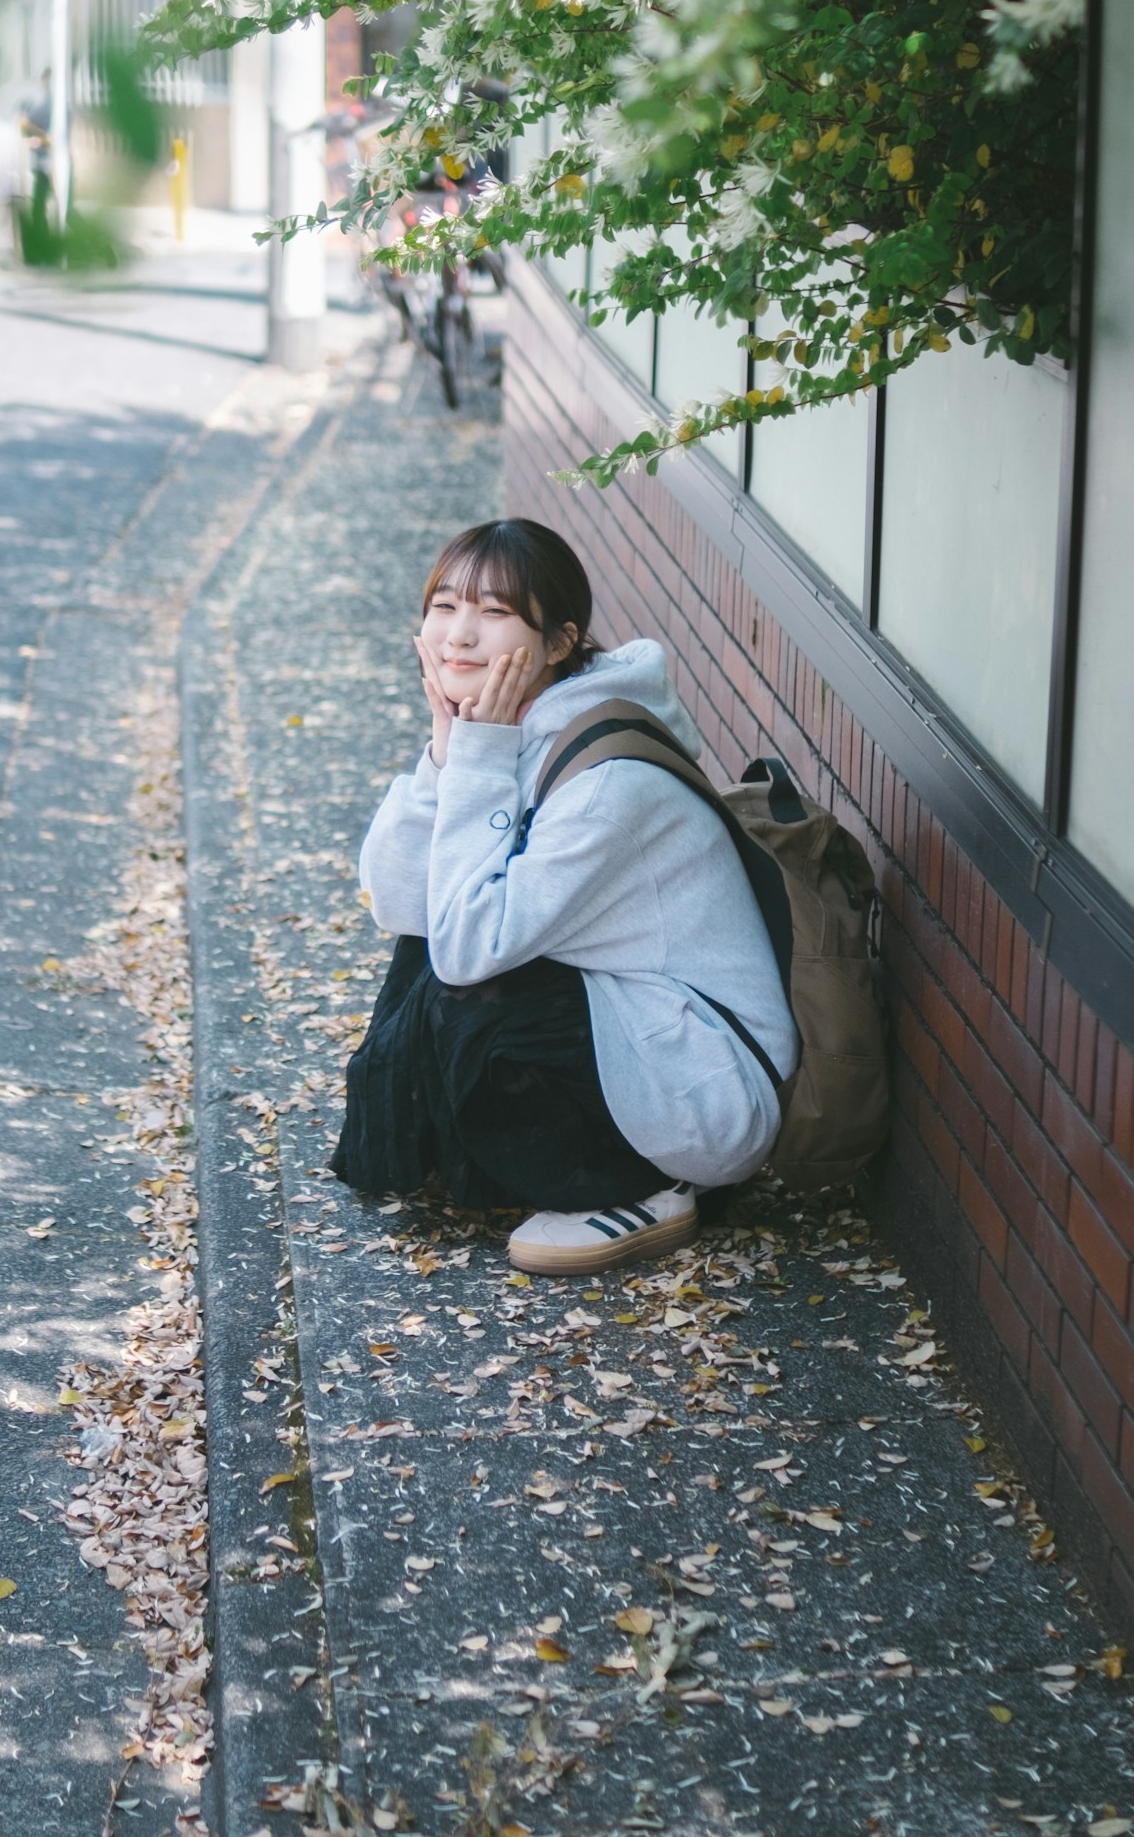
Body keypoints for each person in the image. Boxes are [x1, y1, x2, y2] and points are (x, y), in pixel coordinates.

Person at [331, 518, 798, 1274]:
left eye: (494, 612)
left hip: (707, 1088)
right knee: (427, 939)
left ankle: (645, 1186)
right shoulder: (513, 726)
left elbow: (466, 949)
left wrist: (476, 757)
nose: (459, 636)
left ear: (557, 643)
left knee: (468, 991)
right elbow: (401, 902)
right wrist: (445, 757)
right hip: (638, 1021)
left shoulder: (607, 786)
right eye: (445, 606)